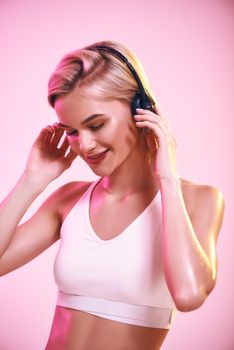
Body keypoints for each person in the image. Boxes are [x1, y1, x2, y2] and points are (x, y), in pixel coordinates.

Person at [0, 40, 225, 350]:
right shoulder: (69, 201)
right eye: (73, 131)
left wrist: (168, 179)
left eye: (97, 124)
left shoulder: (199, 201)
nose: (86, 145)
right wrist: (32, 180)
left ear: (140, 110)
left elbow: (189, 295)